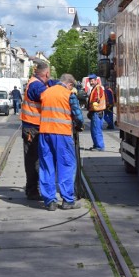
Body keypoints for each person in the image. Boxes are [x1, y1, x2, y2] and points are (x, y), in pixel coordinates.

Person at [38, 73, 84, 211]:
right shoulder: (68, 94)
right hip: (62, 133)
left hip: (45, 133)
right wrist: (78, 125)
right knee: (66, 165)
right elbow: (78, 116)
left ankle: (50, 201)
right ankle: (67, 200)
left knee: (47, 166)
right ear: (69, 84)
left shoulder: (45, 93)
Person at [20, 61, 52, 201]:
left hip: (32, 127)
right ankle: (33, 190)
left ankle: (32, 188)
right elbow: (48, 97)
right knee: (34, 160)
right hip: (33, 128)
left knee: (34, 159)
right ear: (46, 73)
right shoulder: (37, 85)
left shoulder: (35, 82)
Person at [87, 74, 106, 151]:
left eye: (92, 81)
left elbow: (96, 99)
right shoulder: (95, 88)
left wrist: (92, 105)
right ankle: (96, 145)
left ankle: (99, 146)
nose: (91, 82)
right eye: (90, 81)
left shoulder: (97, 88)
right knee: (95, 129)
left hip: (97, 112)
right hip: (97, 112)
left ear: (96, 80)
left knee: (96, 130)